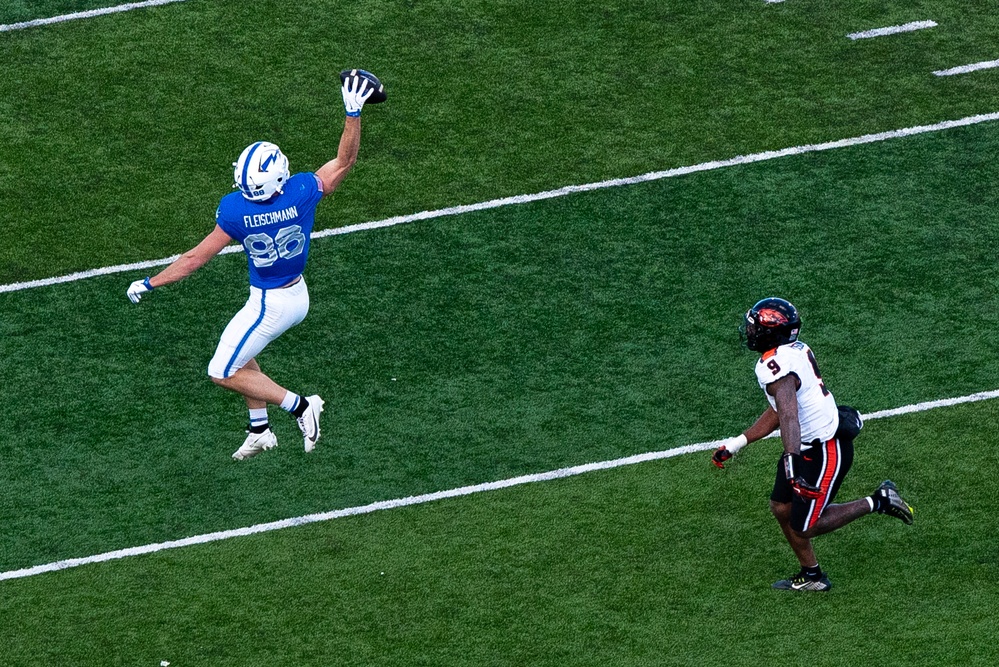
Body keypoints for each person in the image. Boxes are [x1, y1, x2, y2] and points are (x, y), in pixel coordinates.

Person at [126, 73, 377, 460]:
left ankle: (300, 405)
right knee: (241, 352)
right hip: (294, 293)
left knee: (221, 370)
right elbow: (345, 161)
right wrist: (352, 111)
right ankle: (258, 428)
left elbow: (194, 259)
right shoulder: (301, 192)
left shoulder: (236, 210)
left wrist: (150, 282)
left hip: (271, 303)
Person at [711, 297, 913, 591]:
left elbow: (790, 416)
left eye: (755, 327)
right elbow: (779, 410)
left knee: (805, 524)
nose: (750, 331)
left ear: (772, 332)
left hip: (824, 449)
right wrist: (738, 442)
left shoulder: (776, 367)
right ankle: (813, 575)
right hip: (804, 447)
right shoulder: (792, 351)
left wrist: (791, 463)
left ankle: (879, 500)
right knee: (781, 507)